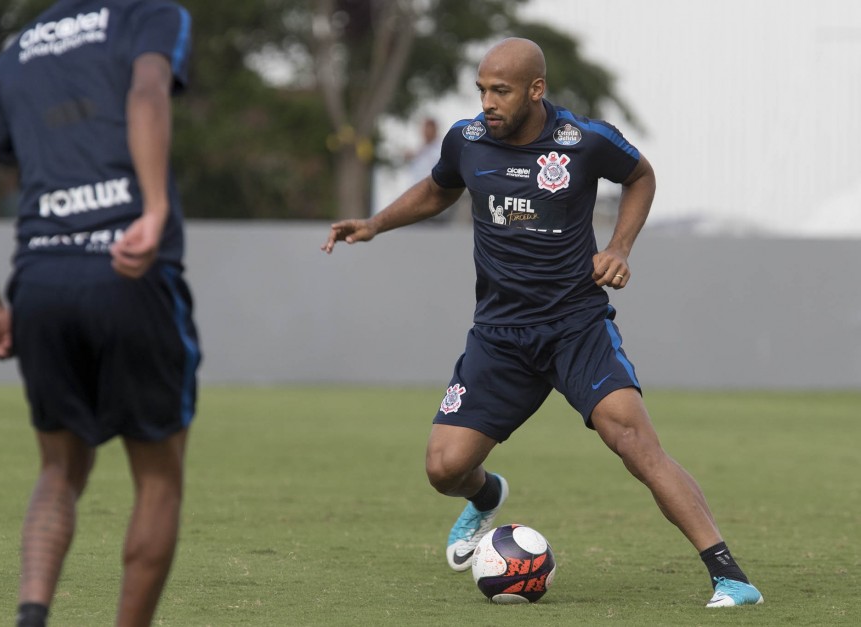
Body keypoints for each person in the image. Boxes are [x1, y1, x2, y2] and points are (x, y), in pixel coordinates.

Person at [322, 37, 763, 608]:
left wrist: (621, 247)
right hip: (500, 336)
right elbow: (437, 188)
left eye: (500, 90)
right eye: (481, 89)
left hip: (575, 327)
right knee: (443, 468)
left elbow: (641, 175)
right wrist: (376, 224)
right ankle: (487, 497)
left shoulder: (584, 142)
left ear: (536, 90)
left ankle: (730, 577)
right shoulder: (468, 139)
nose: (487, 102)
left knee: (634, 443)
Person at [0, 2, 200, 626]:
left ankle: (31, 617)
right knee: (158, 478)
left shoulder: (17, 51)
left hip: (39, 279)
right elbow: (147, 91)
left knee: (58, 469)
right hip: (128, 272)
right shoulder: (149, 15)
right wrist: (154, 208)